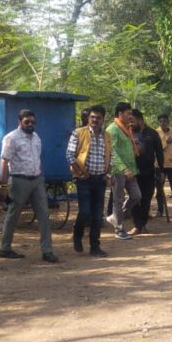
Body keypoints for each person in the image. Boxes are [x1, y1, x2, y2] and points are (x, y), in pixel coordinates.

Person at [0, 109, 58, 263]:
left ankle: (47, 251)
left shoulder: (36, 137)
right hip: (19, 180)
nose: (30, 124)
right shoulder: (11, 138)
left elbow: (37, 158)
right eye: (27, 122)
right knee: (13, 215)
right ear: (19, 122)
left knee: (44, 214)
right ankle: (5, 248)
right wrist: (3, 184)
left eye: (33, 122)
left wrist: (40, 175)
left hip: (37, 180)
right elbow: (4, 160)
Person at [67, 104, 111, 257]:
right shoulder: (78, 133)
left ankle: (95, 246)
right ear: (88, 118)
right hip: (84, 179)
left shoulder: (107, 136)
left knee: (97, 215)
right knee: (85, 212)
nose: (95, 120)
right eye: (92, 117)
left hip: (100, 180)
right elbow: (70, 155)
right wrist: (80, 172)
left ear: (103, 119)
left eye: (98, 118)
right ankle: (77, 234)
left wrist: (107, 174)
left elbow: (111, 156)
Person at [105, 102, 141, 240]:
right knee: (118, 200)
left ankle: (115, 216)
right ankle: (119, 229)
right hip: (118, 170)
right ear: (120, 114)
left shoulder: (126, 129)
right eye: (128, 113)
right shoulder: (113, 129)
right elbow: (112, 151)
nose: (131, 116)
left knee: (136, 196)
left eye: (131, 113)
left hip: (130, 170)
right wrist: (123, 168)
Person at [130, 109, 163, 235]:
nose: (130, 123)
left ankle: (143, 224)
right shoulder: (128, 133)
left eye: (132, 120)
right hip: (133, 171)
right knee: (134, 198)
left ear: (140, 120)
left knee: (146, 198)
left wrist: (161, 170)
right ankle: (137, 225)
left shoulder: (152, 133)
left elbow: (159, 152)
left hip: (149, 171)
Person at [154, 114, 172, 218]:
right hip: (160, 165)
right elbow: (156, 149)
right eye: (161, 121)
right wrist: (166, 142)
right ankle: (160, 210)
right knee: (159, 189)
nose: (163, 123)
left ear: (168, 122)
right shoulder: (156, 132)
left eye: (165, 121)